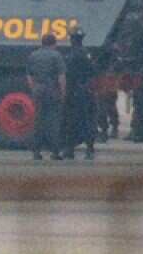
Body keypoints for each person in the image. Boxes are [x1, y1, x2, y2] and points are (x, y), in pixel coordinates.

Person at [26, 33, 66, 161]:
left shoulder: (33, 55)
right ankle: (55, 152)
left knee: (38, 120)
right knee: (53, 121)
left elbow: (29, 76)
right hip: (52, 90)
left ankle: (36, 152)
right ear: (54, 43)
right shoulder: (56, 55)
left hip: (38, 89)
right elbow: (61, 77)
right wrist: (63, 92)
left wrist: (34, 89)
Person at [64, 28, 97, 159]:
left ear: (72, 39)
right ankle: (89, 150)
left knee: (72, 121)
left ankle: (70, 150)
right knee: (88, 121)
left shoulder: (72, 55)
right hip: (86, 90)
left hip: (74, 91)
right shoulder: (86, 53)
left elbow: (68, 73)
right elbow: (93, 71)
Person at [92, 50, 119, 141]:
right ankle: (112, 127)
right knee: (110, 106)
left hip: (104, 81)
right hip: (108, 81)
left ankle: (105, 130)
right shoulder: (112, 52)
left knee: (103, 107)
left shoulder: (100, 51)